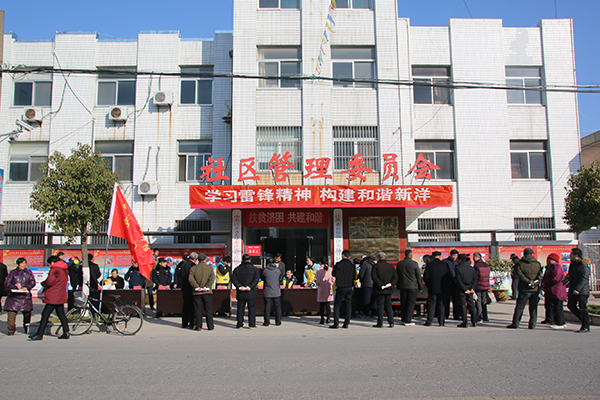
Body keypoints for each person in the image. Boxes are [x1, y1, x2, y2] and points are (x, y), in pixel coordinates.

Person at [29, 256, 70, 340]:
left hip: (53, 295)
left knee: (45, 314)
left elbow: (49, 282)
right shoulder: (64, 270)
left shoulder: (55, 270)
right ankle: (66, 332)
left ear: (52, 262)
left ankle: (39, 334)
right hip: (60, 295)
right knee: (61, 315)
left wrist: (43, 283)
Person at [507, 248, 543, 329]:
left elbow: (519, 274)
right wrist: (534, 283)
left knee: (520, 307)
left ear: (524, 254)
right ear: (532, 254)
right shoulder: (537, 264)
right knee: (533, 308)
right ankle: (532, 324)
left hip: (524, 289)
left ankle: (516, 323)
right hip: (534, 289)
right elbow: (540, 275)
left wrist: (528, 282)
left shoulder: (520, 264)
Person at [4, 258, 36, 335]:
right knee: (11, 315)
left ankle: (26, 328)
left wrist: (27, 287)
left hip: (25, 297)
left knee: (27, 314)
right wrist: (14, 287)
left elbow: (32, 282)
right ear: (18, 264)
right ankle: (11, 330)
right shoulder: (12, 273)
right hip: (14, 297)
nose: (23, 265)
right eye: (22, 263)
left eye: (24, 263)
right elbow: (7, 283)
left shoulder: (28, 272)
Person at [423, 251, 452, 327]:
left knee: (431, 304)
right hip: (442, 288)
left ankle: (429, 321)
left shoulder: (429, 265)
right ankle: (441, 322)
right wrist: (446, 286)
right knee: (441, 305)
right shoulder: (444, 265)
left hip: (432, 288)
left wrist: (429, 285)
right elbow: (449, 277)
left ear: (433, 256)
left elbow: (426, 277)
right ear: (440, 256)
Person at [565, 248, 591, 333]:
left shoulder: (583, 265)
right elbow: (571, 275)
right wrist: (566, 281)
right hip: (573, 289)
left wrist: (578, 289)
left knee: (583, 308)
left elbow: (584, 279)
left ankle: (585, 326)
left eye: (571, 254)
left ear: (576, 255)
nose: (570, 256)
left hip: (582, 291)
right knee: (571, 305)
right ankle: (585, 320)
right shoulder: (573, 264)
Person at [231, 254, 260, 329]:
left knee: (240, 308)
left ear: (242, 260)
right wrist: (250, 286)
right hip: (251, 292)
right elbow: (256, 279)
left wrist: (240, 286)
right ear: (250, 260)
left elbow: (233, 279)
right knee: (251, 309)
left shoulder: (237, 269)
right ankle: (252, 324)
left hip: (241, 292)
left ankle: (239, 323)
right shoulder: (254, 269)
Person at [330, 249, 356, 329]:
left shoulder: (338, 264)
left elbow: (333, 274)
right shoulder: (352, 265)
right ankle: (346, 323)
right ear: (349, 256)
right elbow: (354, 276)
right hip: (349, 287)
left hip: (341, 287)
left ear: (343, 255)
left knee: (337, 305)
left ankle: (336, 323)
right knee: (348, 305)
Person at [396, 249, 423, 326]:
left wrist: (398, 285)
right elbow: (418, 277)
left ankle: (403, 318)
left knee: (403, 302)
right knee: (410, 303)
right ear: (411, 255)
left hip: (403, 286)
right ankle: (408, 320)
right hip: (412, 286)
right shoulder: (414, 264)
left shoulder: (400, 264)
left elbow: (397, 275)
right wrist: (420, 287)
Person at [189, 253, 215, 331]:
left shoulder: (193, 269)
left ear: (197, 260)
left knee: (198, 309)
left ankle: (198, 325)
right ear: (205, 259)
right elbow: (212, 279)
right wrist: (206, 286)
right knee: (208, 309)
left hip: (197, 292)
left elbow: (191, 279)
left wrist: (197, 287)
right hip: (207, 292)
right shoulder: (210, 268)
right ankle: (210, 326)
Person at [371, 252, 398, 328]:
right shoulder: (390, 266)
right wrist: (390, 284)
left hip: (379, 289)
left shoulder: (376, 266)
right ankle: (391, 322)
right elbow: (395, 277)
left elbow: (374, 277)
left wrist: (381, 285)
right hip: (388, 289)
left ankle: (380, 322)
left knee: (380, 306)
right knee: (388, 305)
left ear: (378, 258)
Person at [542, 253, 567, 329]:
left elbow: (555, 278)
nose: (547, 261)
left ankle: (560, 323)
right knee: (552, 307)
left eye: (549, 259)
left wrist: (546, 283)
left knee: (558, 308)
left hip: (557, 291)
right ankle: (554, 320)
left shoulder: (556, 267)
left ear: (553, 260)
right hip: (553, 290)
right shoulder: (551, 267)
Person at [455, 254, 478, 328]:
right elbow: (475, 279)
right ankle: (474, 321)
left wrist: (464, 289)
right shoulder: (471, 268)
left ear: (460, 260)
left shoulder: (458, 268)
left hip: (462, 289)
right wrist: (472, 288)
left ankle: (465, 321)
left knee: (463, 305)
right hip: (470, 288)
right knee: (471, 304)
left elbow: (458, 280)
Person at [261, 257, 283, 326]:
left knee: (267, 306)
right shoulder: (278, 270)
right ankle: (278, 321)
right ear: (274, 263)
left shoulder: (265, 271)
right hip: (276, 290)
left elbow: (262, 278)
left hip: (267, 290)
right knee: (277, 306)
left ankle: (266, 322)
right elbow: (280, 279)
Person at [178, 253, 197, 329]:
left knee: (185, 306)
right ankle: (192, 323)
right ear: (195, 259)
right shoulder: (193, 266)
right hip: (191, 288)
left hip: (184, 287)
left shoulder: (183, 265)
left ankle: (184, 323)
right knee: (191, 306)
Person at [315, 257, 334, 325]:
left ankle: (322, 319)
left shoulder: (318, 270)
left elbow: (318, 281)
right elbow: (333, 279)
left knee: (322, 305)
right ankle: (328, 318)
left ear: (320, 262)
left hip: (322, 289)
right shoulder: (330, 269)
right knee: (328, 304)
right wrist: (330, 283)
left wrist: (317, 283)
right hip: (328, 288)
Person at [443, 249, 461, 320]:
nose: (454, 257)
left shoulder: (458, 262)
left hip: (456, 284)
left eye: (455, 255)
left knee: (456, 300)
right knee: (446, 300)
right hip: (447, 284)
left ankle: (456, 315)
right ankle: (446, 314)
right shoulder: (445, 262)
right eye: (453, 255)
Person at [473, 252, 490, 323]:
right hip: (485, 285)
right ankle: (485, 317)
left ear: (478, 257)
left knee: (478, 301)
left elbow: (476, 276)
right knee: (484, 301)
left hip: (479, 285)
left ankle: (479, 316)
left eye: (474, 257)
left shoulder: (477, 265)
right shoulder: (486, 265)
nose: (473, 259)